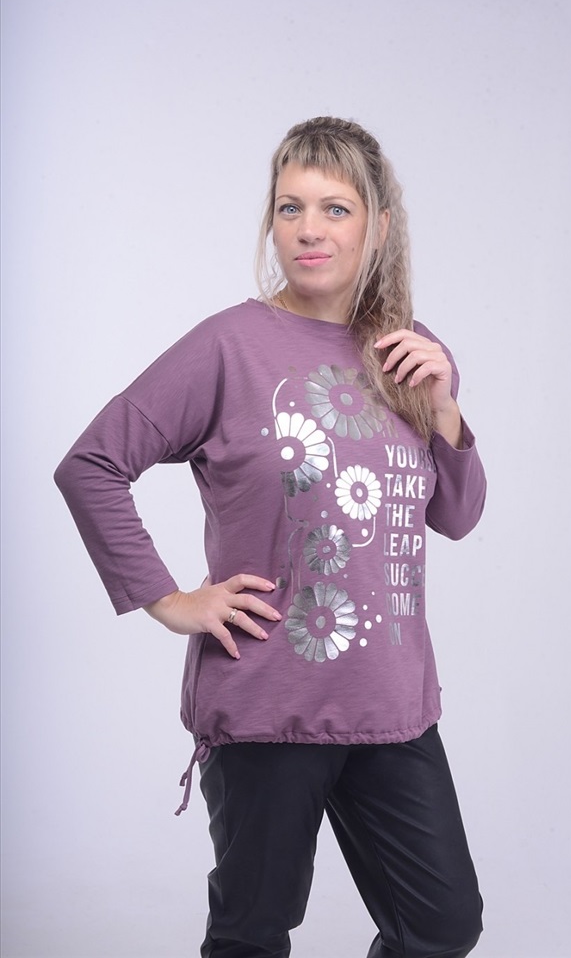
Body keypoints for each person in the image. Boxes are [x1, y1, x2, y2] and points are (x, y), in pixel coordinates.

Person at [55, 116, 487, 958]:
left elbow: (456, 516)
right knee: (253, 934)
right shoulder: (228, 346)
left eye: (335, 208)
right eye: (291, 208)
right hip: (265, 701)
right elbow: (93, 463)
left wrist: (443, 407)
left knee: (442, 925)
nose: (309, 230)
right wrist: (169, 599)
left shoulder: (413, 352)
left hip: (392, 705)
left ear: (379, 225)